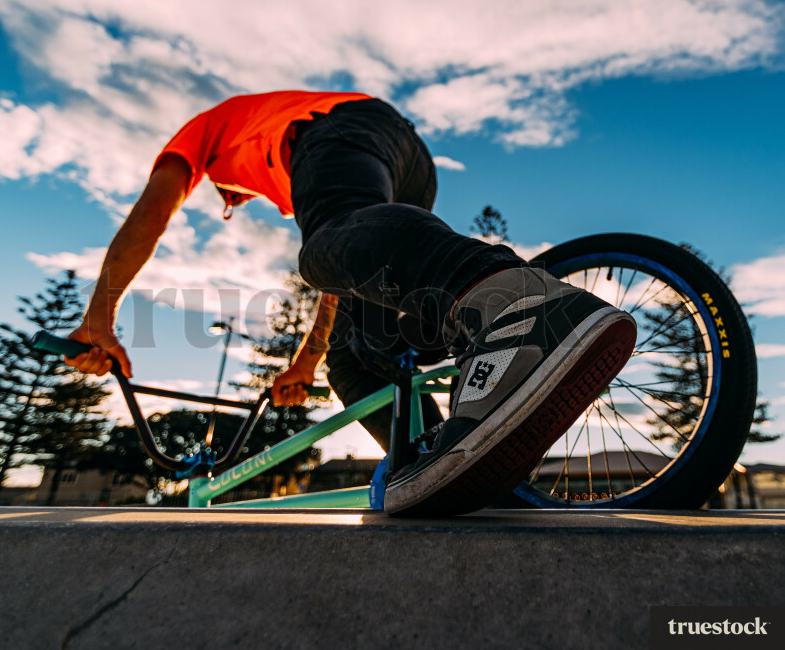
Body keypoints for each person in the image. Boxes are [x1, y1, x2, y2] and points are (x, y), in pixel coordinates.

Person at [65, 91, 636, 516]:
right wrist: (308, 362)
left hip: (343, 130)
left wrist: (99, 321)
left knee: (324, 246)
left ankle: (516, 305)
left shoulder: (209, 135)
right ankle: (455, 453)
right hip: (405, 164)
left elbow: (151, 216)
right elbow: (347, 278)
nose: (230, 199)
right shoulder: (294, 176)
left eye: (226, 199)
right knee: (358, 353)